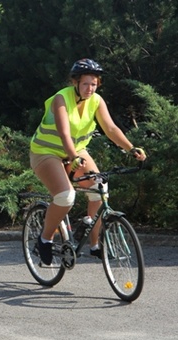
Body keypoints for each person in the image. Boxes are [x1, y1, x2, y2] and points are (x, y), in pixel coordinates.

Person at [30, 58, 147, 265]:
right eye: (85, 83)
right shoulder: (61, 99)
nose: (90, 88)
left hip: (76, 152)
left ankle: (94, 244)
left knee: (100, 187)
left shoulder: (96, 101)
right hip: (46, 152)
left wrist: (131, 148)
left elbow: (110, 129)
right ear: (75, 82)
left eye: (94, 84)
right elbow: (65, 134)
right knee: (66, 196)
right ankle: (45, 239)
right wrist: (73, 157)